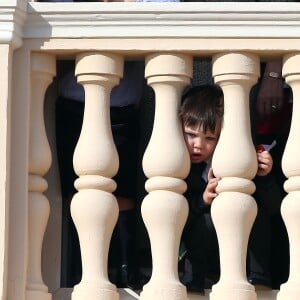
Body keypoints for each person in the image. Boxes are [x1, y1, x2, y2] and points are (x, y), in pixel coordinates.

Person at [179, 83, 282, 294]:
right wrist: (203, 200)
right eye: (191, 134)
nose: (198, 144)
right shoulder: (177, 165)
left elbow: (275, 208)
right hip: (198, 251)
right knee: (205, 220)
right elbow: (174, 218)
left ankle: (259, 278)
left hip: (238, 256)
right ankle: (193, 280)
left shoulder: (235, 159)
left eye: (209, 138)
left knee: (254, 213)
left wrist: (264, 178)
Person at [55, 58, 145, 288]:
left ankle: (126, 271)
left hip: (122, 109)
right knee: (79, 192)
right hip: (74, 103)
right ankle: (82, 270)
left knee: (122, 193)